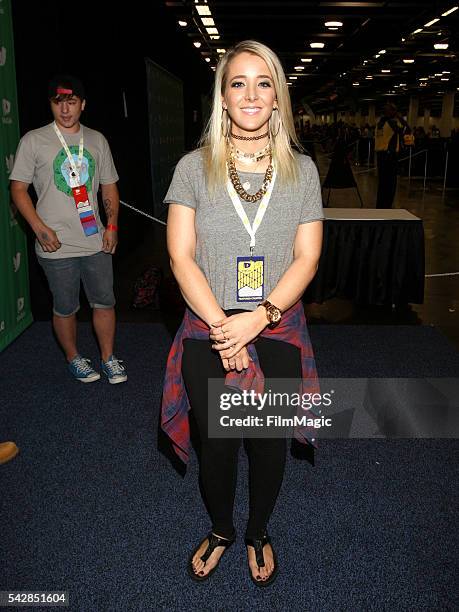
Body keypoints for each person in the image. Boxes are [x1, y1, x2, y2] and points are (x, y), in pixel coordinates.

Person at [161, 41, 323, 585]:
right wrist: (224, 328)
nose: (251, 93)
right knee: (220, 442)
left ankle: (258, 530)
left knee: (268, 439)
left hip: (277, 323)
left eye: (263, 82)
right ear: (223, 97)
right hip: (208, 322)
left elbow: (307, 257)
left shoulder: (302, 171)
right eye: (238, 83)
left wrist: (259, 316)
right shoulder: (191, 168)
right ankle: (223, 528)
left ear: (278, 96)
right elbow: (181, 257)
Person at [10, 75, 127, 384]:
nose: (65, 110)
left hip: (95, 239)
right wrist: (38, 228)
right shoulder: (33, 140)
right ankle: (74, 357)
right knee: (64, 307)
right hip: (55, 244)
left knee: (104, 300)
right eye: (58, 102)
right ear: (50, 104)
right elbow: (18, 189)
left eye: (71, 102)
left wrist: (112, 225)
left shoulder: (97, 140)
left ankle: (107, 357)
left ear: (83, 105)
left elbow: (109, 186)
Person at [374, 102, 409, 208]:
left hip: (380, 155)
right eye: (394, 110)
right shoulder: (392, 123)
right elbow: (407, 129)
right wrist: (400, 117)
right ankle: (387, 205)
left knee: (382, 183)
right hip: (390, 155)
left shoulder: (379, 122)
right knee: (391, 183)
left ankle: (380, 205)